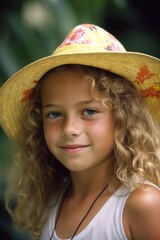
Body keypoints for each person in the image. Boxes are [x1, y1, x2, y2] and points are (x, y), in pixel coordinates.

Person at [0, 24, 160, 240]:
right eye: (54, 114)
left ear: (124, 118)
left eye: (89, 111)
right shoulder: (52, 200)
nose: (69, 129)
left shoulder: (142, 204)